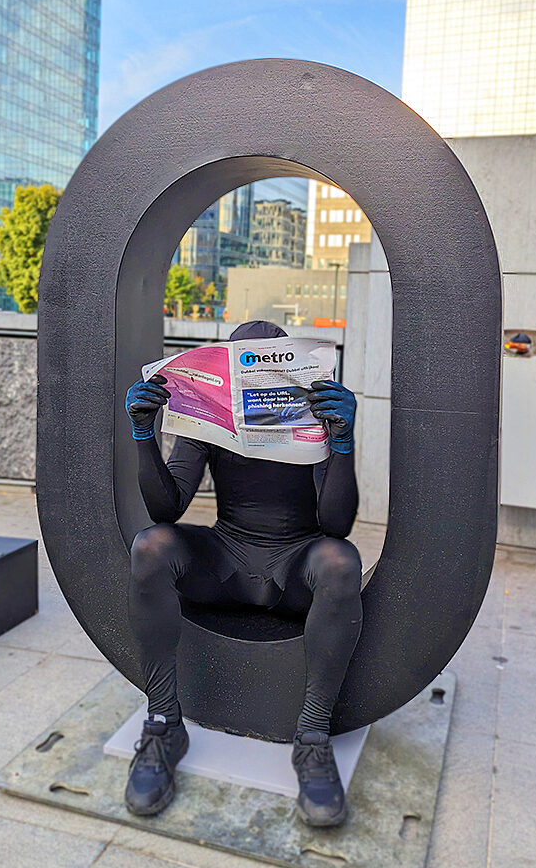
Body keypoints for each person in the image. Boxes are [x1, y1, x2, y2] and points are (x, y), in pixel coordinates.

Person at [124, 321, 362, 827]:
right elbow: (165, 509)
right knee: (151, 547)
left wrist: (342, 445)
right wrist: (145, 436)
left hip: (296, 562)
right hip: (229, 556)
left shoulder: (312, 409)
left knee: (341, 561)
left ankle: (313, 738)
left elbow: (335, 525)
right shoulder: (212, 413)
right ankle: (164, 723)